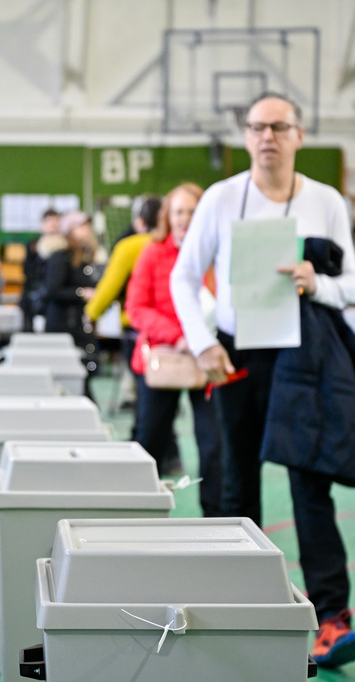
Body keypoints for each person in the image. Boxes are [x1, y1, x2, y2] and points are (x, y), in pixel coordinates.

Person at [171, 93, 355, 668]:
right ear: (247, 136)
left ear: (299, 135)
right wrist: (204, 340)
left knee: (313, 485)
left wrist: (320, 282)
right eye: (257, 127)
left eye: (279, 127)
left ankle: (333, 619)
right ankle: (238, 606)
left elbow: (353, 283)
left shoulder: (327, 201)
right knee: (238, 482)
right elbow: (185, 278)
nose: (267, 137)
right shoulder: (220, 198)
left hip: (305, 354)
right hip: (236, 354)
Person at [126, 184, 223, 512]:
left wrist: (200, 341)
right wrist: (180, 337)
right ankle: (138, 510)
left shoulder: (215, 254)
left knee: (214, 445)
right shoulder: (152, 253)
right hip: (162, 360)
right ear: (168, 216)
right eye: (178, 211)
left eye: (192, 211)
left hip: (207, 360)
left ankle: (218, 519)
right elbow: (136, 307)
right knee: (150, 439)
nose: (185, 218)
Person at [85, 196, 160, 415]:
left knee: (143, 388)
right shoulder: (172, 244)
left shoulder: (129, 247)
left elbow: (109, 286)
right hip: (169, 328)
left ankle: (144, 434)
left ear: (139, 221)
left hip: (136, 326)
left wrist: (91, 313)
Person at [43, 210, 105, 396]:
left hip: (80, 324)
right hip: (63, 326)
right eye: (81, 225)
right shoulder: (61, 257)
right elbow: (53, 290)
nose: (86, 230)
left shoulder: (87, 257)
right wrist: (81, 293)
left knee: (86, 373)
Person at [20, 208, 59, 331]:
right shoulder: (33, 245)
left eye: (56, 221)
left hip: (53, 298)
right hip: (34, 297)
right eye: (49, 221)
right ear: (42, 224)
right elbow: (28, 271)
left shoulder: (63, 247)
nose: (53, 225)